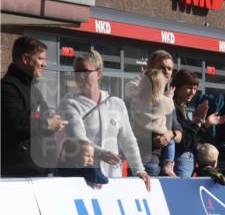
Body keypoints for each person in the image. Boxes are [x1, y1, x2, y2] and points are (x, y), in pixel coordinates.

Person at [59, 51, 151, 191]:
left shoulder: (116, 103)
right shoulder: (70, 103)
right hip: (83, 180)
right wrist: (101, 153)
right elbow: (78, 137)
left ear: (99, 73)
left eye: (84, 71)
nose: (80, 76)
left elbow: (128, 139)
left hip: (112, 178)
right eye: (76, 72)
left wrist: (139, 169)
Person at [1, 36, 66, 176]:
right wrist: (46, 123)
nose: (45, 64)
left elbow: (45, 114)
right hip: (20, 175)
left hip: (41, 171)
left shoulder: (33, 89)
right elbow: (16, 123)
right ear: (25, 59)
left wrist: (54, 120)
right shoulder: (8, 88)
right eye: (41, 59)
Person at [171, 70, 225, 178]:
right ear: (177, 86)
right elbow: (186, 142)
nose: (192, 92)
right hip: (179, 161)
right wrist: (198, 122)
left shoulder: (183, 107)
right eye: (189, 87)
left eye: (195, 88)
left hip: (186, 162)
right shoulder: (172, 107)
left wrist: (206, 124)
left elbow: (192, 139)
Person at [131, 68, 178, 176]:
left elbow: (132, 88)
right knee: (171, 142)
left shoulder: (137, 100)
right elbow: (169, 105)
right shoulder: (162, 101)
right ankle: (168, 164)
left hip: (139, 136)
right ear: (160, 85)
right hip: (158, 135)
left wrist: (140, 77)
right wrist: (170, 94)